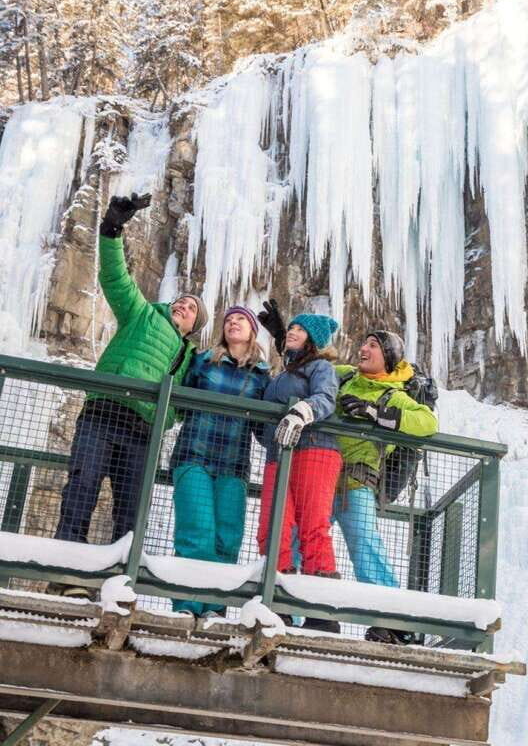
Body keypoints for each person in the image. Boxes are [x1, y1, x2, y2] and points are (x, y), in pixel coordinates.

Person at [52, 193, 208, 599]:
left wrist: (167, 418)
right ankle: (68, 572)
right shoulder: (142, 314)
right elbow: (116, 279)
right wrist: (112, 228)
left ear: (195, 326)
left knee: (130, 507)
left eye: (191, 308)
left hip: (142, 431)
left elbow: (188, 401)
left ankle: (117, 583)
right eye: (181, 300)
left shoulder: (189, 357)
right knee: (81, 486)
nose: (183, 305)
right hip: (102, 413)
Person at [334, 331, 438, 645]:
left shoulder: (393, 395)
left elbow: (427, 423)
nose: (362, 348)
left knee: (366, 549)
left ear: (389, 357)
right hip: (320, 476)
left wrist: (376, 414)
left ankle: (394, 621)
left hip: (357, 482)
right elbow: (309, 371)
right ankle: (290, 613)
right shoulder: (344, 377)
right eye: (363, 342)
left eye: (373, 345)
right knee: (297, 540)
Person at [170, 306, 271, 619]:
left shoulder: (263, 376)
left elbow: (263, 427)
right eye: (228, 319)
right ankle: (187, 605)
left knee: (227, 537)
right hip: (195, 453)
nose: (233, 322)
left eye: (241, 318)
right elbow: (180, 397)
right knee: (196, 529)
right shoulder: (204, 360)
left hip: (234, 462)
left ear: (252, 330)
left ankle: (214, 608)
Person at [256, 312, 341, 633]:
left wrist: (302, 411)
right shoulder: (283, 372)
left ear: (313, 338)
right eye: (290, 327)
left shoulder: (321, 367)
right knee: (271, 526)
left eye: (299, 329)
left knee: (312, 525)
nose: (292, 331)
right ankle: (278, 602)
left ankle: (321, 610)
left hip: (315, 448)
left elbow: (326, 397)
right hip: (279, 453)